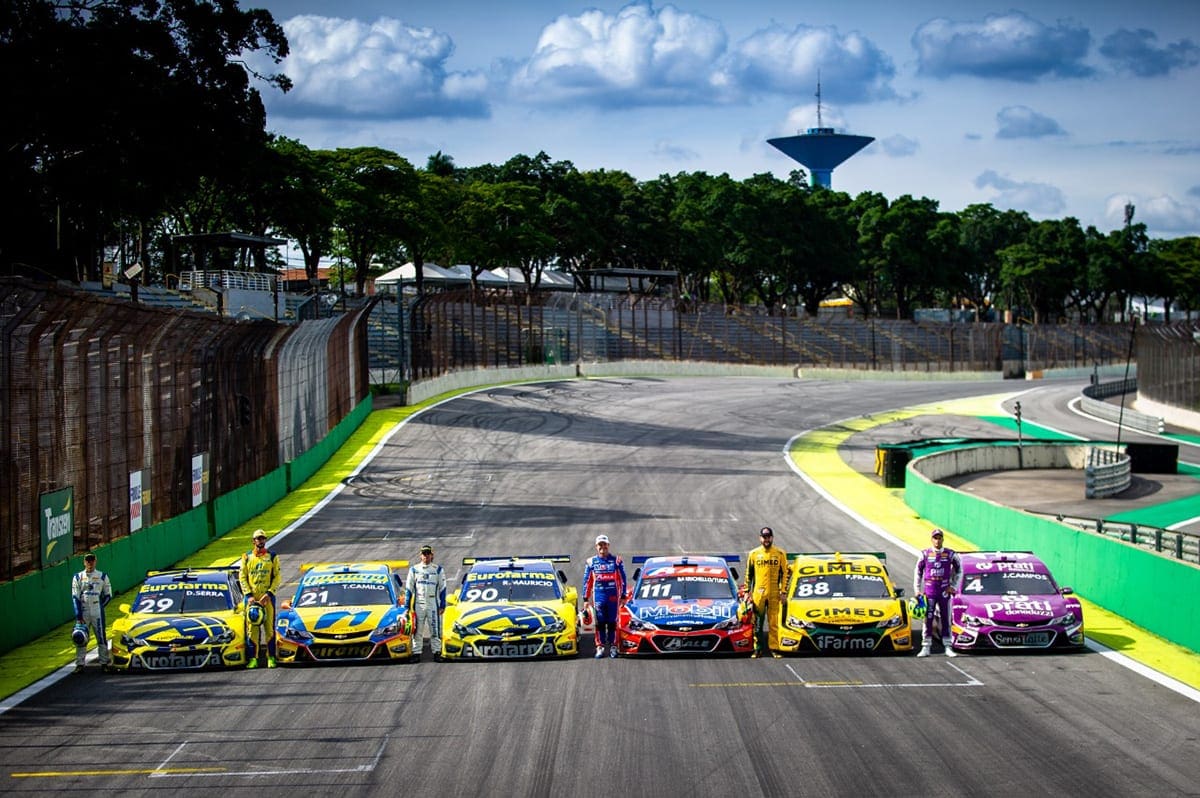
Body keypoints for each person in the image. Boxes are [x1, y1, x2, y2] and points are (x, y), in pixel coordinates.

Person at [914, 528, 962, 657]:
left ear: (943, 539)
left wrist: (953, 586)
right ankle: (926, 646)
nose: (937, 540)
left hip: (944, 592)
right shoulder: (924, 554)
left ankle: (948, 646)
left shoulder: (951, 554)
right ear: (931, 539)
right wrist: (917, 590)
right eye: (935, 538)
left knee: (946, 618)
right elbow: (918, 573)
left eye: (939, 537)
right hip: (929, 592)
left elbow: (960, 570)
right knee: (927, 619)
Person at [743, 526, 788, 658]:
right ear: (760, 538)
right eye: (764, 537)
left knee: (773, 622)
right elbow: (748, 574)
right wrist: (747, 591)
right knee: (757, 622)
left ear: (772, 537)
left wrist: (783, 592)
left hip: (774, 593)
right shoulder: (754, 554)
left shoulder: (780, 553)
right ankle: (758, 648)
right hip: (759, 593)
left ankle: (774, 648)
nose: (766, 539)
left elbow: (785, 574)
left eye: (768, 537)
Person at [239, 529, 281, 668]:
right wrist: (248, 595)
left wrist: (269, 594)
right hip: (251, 599)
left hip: (267, 598)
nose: (260, 541)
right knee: (252, 629)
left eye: (262, 538)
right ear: (253, 541)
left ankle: (271, 658)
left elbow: (277, 577)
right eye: (258, 538)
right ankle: (253, 659)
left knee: (269, 628)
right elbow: (242, 577)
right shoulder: (246, 557)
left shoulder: (272, 556)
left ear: (265, 540)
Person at [582, 534, 626, 659]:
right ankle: (600, 647)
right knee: (600, 622)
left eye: (604, 544)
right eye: (600, 544)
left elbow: (622, 580)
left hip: (613, 596)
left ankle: (613, 646)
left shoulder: (617, 561)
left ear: (608, 545)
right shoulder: (591, 562)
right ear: (596, 546)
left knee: (613, 622)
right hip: (599, 596)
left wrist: (623, 596)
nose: (602, 547)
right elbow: (587, 581)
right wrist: (585, 599)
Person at [71, 552, 113, 672]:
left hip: (97, 611)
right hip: (83, 611)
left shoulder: (102, 576)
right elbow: (75, 597)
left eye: (92, 560)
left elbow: (108, 595)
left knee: (101, 637)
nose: (90, 563)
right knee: (80, 637)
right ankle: (79, 664)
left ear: (95, 561)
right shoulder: (78, 577)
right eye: (87, 561)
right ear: (84, 562)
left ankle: (104, 663)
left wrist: (100, 606)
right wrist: (78, 614)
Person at [405, 545, 447, 661]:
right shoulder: (414, 569)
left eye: (428, 553)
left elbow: (443, 588)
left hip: (433, 602)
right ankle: (416, 653)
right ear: (420, 555)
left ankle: (437, 652)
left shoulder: (438, 569)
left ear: (432, 555)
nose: (426, 556)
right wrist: (407, 606)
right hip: (419, 603)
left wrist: (443, 604)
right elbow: (409, 588)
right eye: (424, 554)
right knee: (417, 630)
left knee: (435, 629)